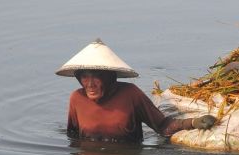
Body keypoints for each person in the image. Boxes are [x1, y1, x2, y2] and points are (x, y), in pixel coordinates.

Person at [56, 38, 216, 142]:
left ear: (109, 77)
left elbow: (162, 126)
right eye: (84, 77)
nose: (89, 84)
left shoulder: (131, 94)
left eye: (96, 77)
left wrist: (194, 122)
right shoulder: (77, 99)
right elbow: (73, 136)